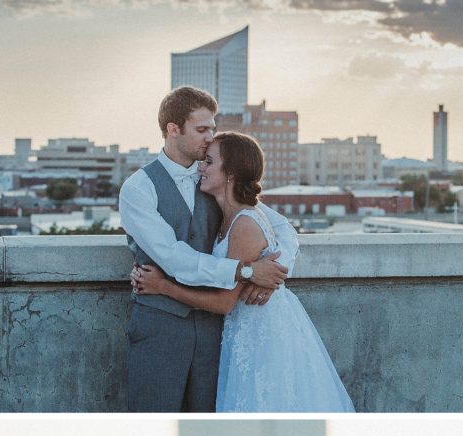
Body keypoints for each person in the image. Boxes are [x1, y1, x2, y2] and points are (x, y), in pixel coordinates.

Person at [131, 132, 355, 413]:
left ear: (231, 174)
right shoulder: (226, 212)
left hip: (261, 337)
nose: (202, 167)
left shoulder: (245, 224)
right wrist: (251, 272)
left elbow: (224, 303)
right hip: (242, 335)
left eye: (210, 162)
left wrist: (163, 287)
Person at [119, 86, 297, 413]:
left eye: (212, 128)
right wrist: (245, 271)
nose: (210, 137)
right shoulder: (138, 188)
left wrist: (273, 274)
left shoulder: (215, 180)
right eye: (202, 130)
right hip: (160, 327)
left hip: (216, 329)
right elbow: (173, 258)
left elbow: (281, 228)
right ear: (173, 130)